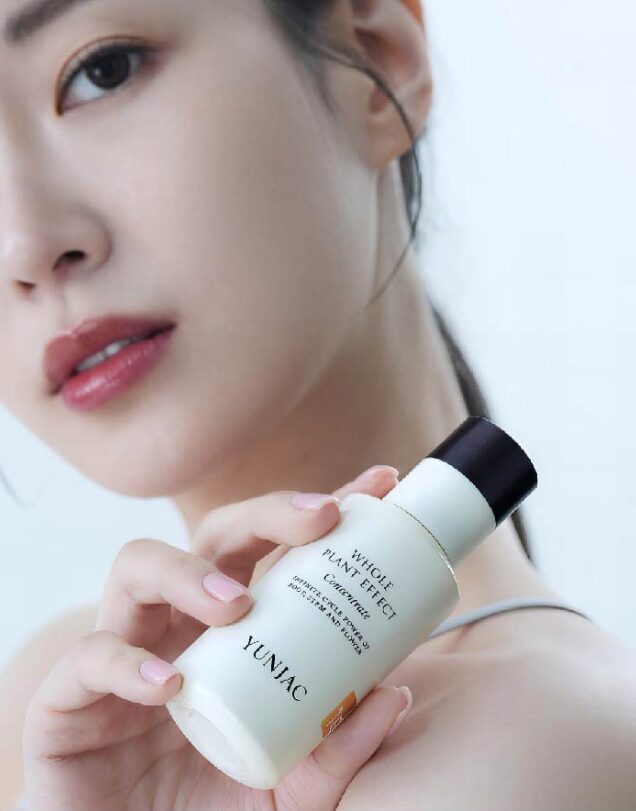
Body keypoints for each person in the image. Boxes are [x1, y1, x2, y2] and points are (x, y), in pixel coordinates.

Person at [0, 0, 635, 809]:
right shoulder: (73, 720)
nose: (23, 245)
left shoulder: (531, 746)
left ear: (376, 57)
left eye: (102, 71)